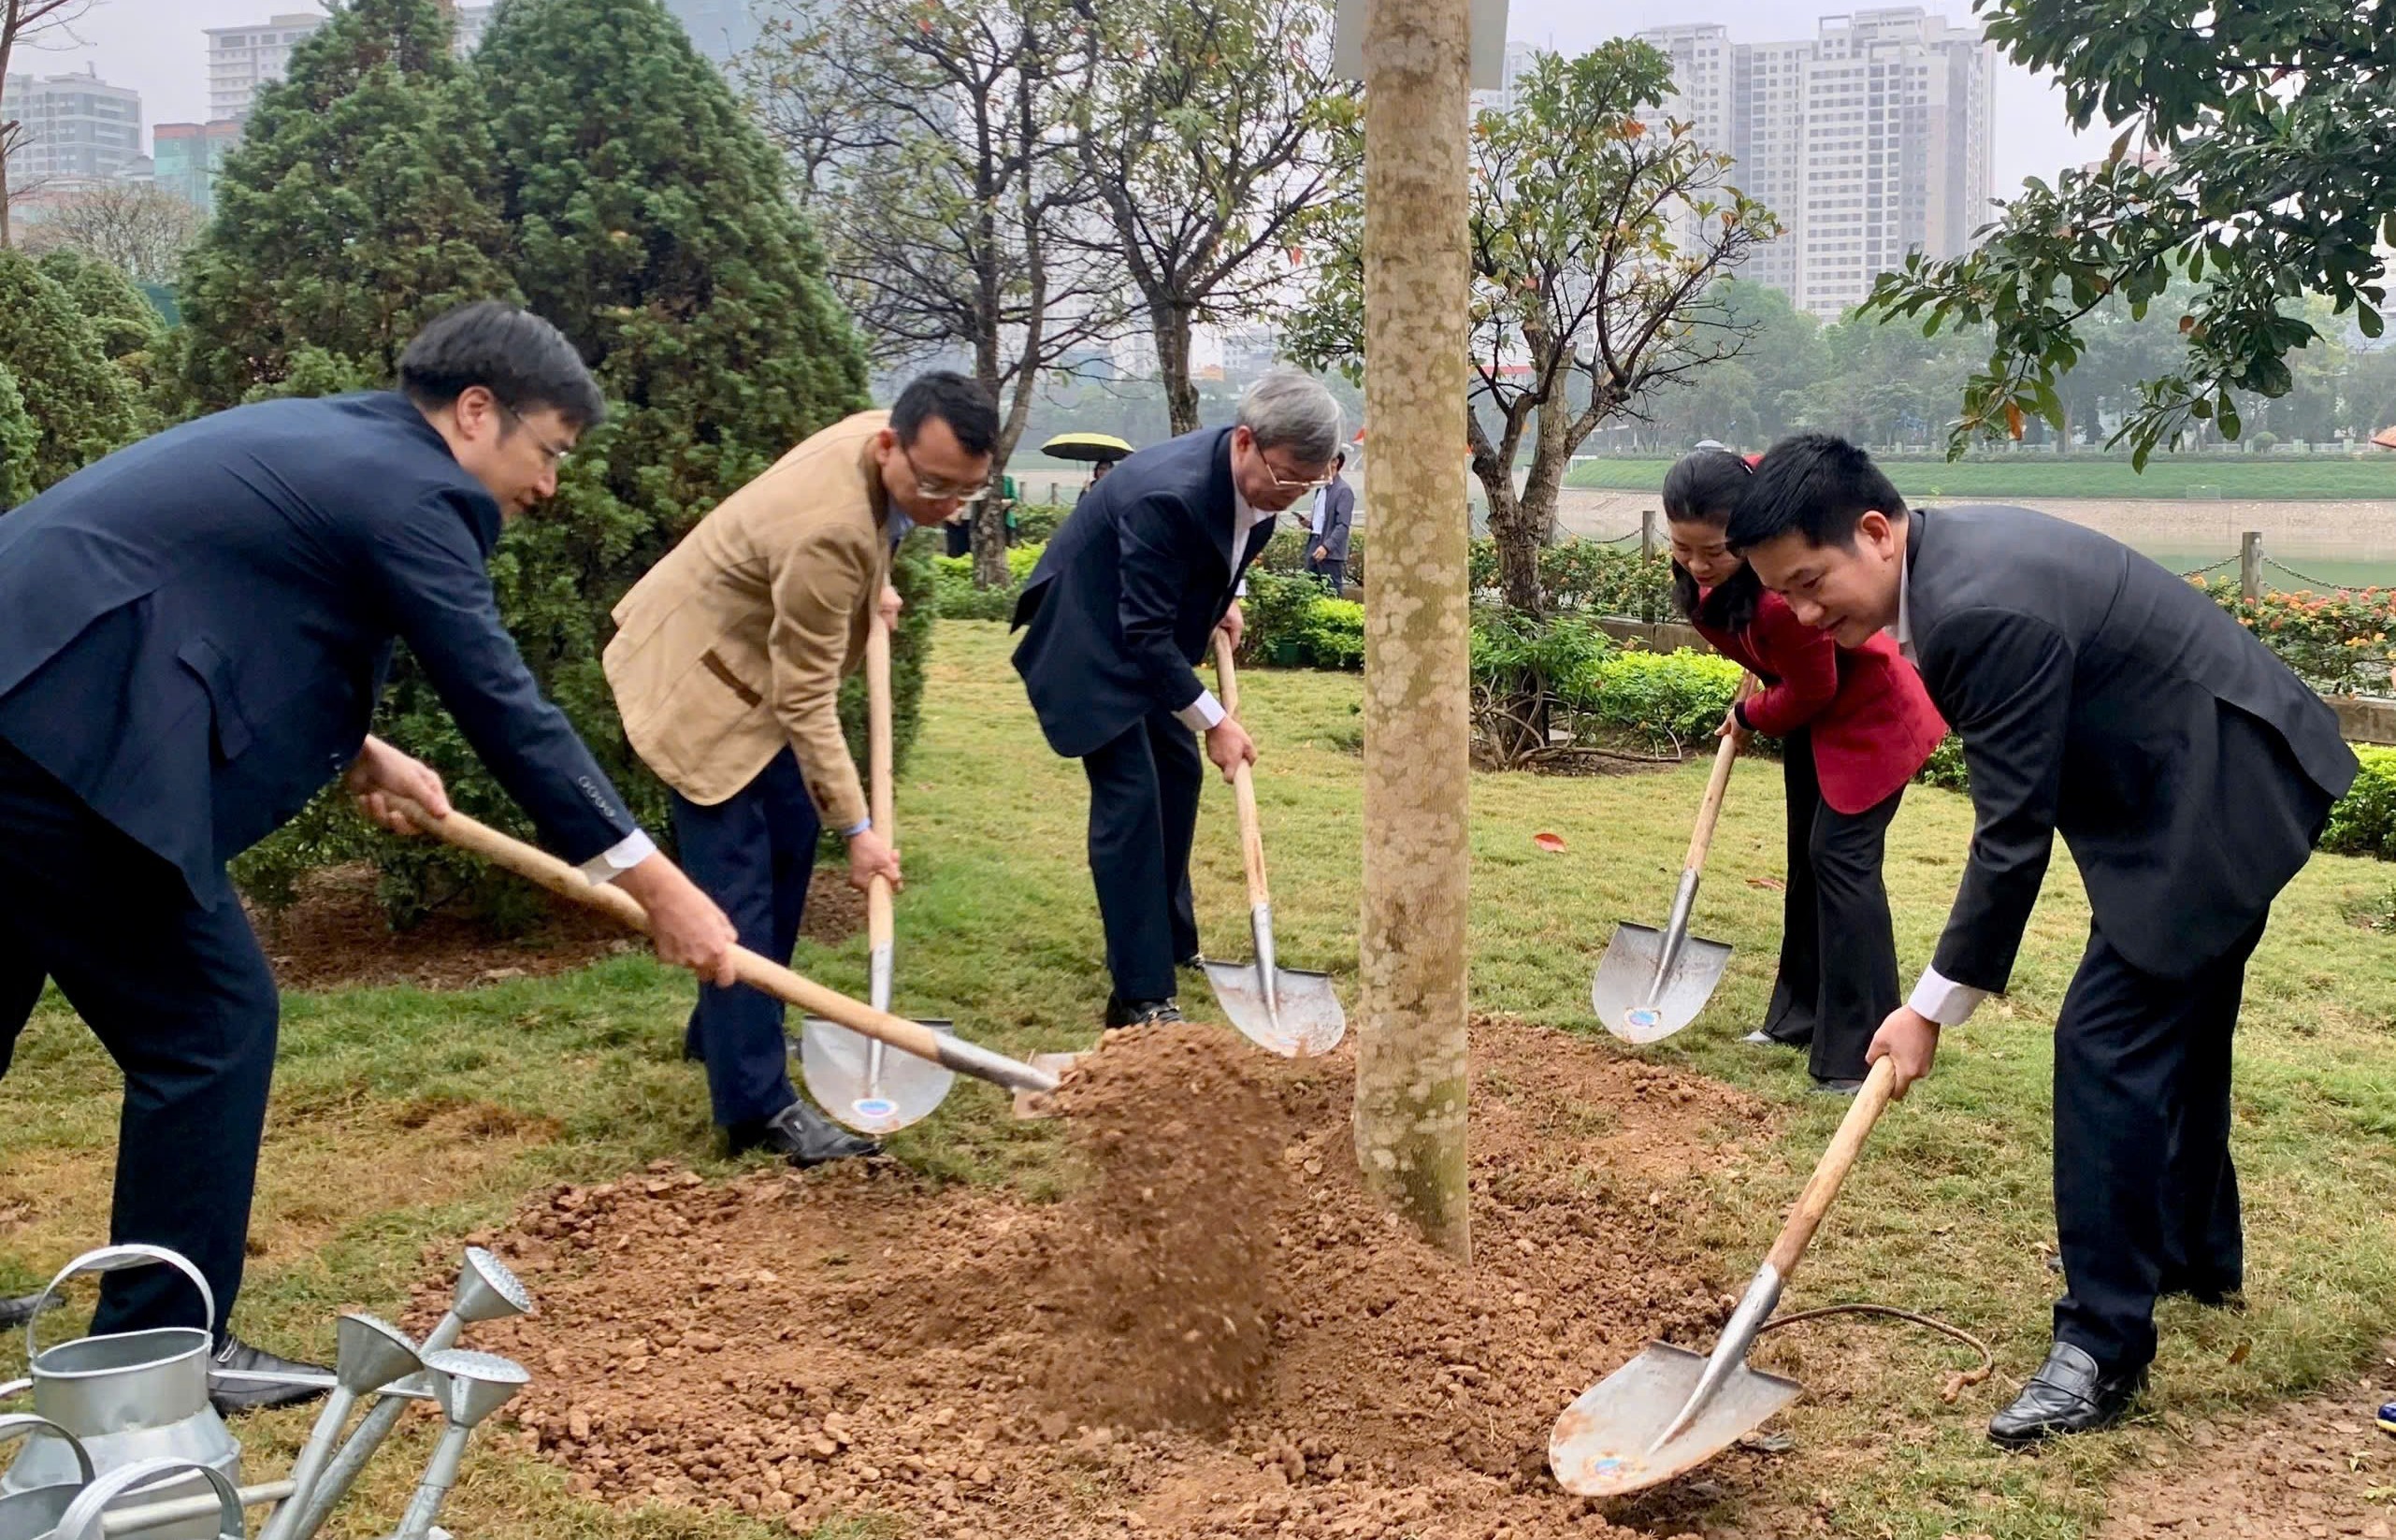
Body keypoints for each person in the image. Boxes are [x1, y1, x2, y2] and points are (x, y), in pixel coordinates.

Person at [0, 301, 739, 1412]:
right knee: (210, 1026)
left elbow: (248, 599)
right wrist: (655, 879)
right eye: (548, 452)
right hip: (64, 750)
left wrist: (359, 746)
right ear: (478, 412)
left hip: (25, 704)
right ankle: (165, 1351)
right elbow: (498, 699)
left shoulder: (336, 443)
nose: (549, 487)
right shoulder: (416, 487)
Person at [1728, 433, 2359, 1446]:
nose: (1803, 614)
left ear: (1877, 532)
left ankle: (2103, 1348)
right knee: (2176, 1027)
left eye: (1810, 583)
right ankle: (2196, 1255)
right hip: (2209, 780)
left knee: (2106, 1044)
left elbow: (2010, 836)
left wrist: (1927, 1009)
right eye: (1783, 597)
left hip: (2218, 797)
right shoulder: (1952, 571)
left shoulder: (1979, 609)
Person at [605, 371, 999, 1166]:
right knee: (739, 883)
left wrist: (873, 589)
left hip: (750, 664)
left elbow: (876, 534)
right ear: (890, 444)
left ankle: (726, 1031)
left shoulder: (879, 446)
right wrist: (857, 830)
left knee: (788, 842)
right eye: (933, 486)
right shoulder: (828, 533)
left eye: (968, 493)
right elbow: (807, 699)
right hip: (704, 688)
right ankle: (757, 1106)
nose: (946, 506)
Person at [1011, 369, 1344, 1027]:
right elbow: (1144, 635)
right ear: (1245, 441)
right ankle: (1140, 995)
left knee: (1176, 773)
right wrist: (1215, 721)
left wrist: (1227, 601)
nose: (1294, 495)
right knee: (1132, 798)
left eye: (1312, 483)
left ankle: (1168, 939)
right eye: (1287, 480)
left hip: (1139, 637)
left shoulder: (1257, 479)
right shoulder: (1169, 494)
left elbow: (1225, 544)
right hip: (1088, 641)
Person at [1660, 448, 1945, 1092]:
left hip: (1872, 720)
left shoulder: (1779, 603)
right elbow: (1758, 463)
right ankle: (1797, 1017)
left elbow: (1813, 686)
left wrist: (1754, 714)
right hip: (1818, 728)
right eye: (1685, 549)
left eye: (1716, 551)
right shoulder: (1729, 572)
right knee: (1808, 863)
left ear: (1751, 538)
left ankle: (1863, 1049)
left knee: (1841, 863)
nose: (1700, 566)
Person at [1304, 450, 1355, 590]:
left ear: (1335, 462)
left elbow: (1343, 525)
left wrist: (1327, 547)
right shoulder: (1320, 490)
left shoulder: (1343, 490)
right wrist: (1308, 524)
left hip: (1330, 553)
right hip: (1313, 546)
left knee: (1331, 593)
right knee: (1309, 593)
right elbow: (1321, 522)